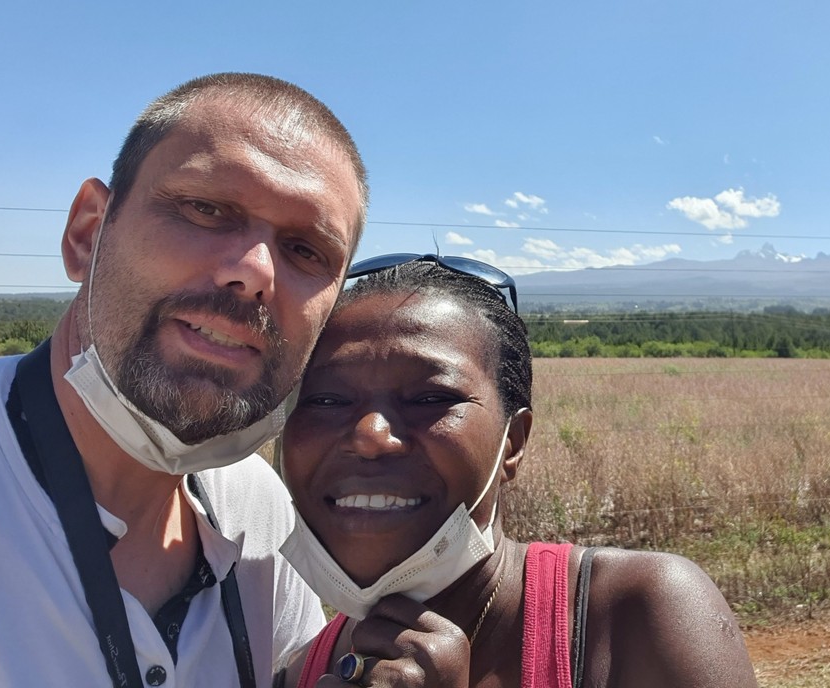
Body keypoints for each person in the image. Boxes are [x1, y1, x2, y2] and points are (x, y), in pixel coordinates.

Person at [0, 73, 369, 686]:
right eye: (206, 208)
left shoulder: (259, 510)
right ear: (88, 234)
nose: (256, 273)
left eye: (307, 251)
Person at [277, 254, 759, 688]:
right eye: (325, 400)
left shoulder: (637, 618)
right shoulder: (299, 672)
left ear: (513, 442)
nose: (371, 434)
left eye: (431, 399)